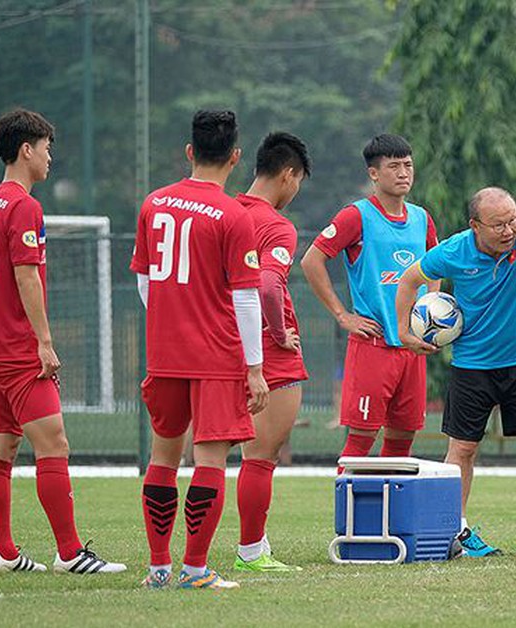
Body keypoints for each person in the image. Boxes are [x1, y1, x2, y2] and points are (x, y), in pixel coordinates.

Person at [0, 109, 125, 574]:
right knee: (54, 445)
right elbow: (26, 276)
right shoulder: (24, 206)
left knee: (0, 452)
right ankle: (70, 553)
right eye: (46, 148)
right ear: (27, 150)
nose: (49, 157)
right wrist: (44, 342)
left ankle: (4, 552)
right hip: (16, 348)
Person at [396, 186, 516, 557]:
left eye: (511, 219)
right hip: (472, 367)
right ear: (475, 226)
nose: (508, 229)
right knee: (462, 449)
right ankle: (457, 533)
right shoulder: (454, 250)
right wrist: (403, 331)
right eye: (498, 224)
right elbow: (409, 281)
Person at [131, 110, 269, 590]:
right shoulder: (234, 214)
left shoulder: (153, 204)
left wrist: (172, 322)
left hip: (164, 353)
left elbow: (145, 283)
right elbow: (246, 297)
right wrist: (254, 368)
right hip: (215, 356)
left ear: (189, 152)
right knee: (209, 462)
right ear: (235, 157)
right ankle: (194, 569)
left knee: (162, 458)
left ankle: (157, 569)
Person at [301, 134, 438, 466]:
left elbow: (435, 266)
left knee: (402, 440)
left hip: (411, 349)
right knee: (360, 441)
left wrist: (430, 309)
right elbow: (311, 261)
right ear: (374, 174)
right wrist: (342, 315)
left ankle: (389, 518)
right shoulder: (356, 216)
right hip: (373, 346)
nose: (404, 173)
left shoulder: (421, 218)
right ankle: (349, 517)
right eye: (394, 166)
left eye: (408, 165)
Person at [233, 132, 311, 572]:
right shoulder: (275, 224)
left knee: (210, 456)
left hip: (218, 345)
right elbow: (267, 282)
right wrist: (279, 333)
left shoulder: (222, 212)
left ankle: (194, 558)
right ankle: (251, 551)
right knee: (260, 458)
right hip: (266, 351)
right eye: (298, 182)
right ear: (288, 175)